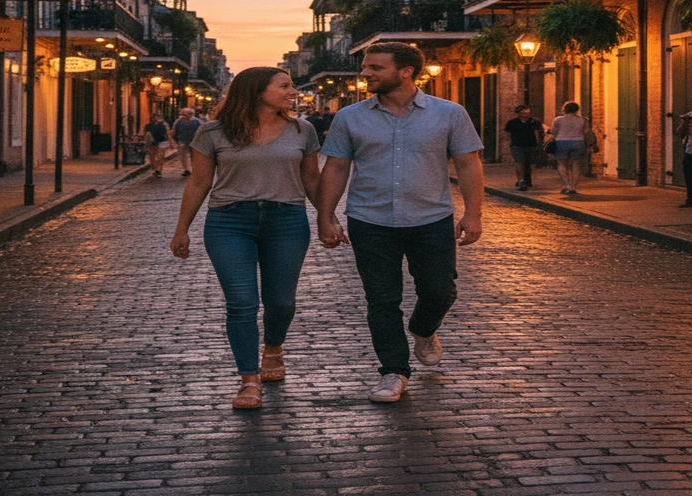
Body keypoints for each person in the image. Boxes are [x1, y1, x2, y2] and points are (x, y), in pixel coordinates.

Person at [315, 42, 484, 404]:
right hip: (369, 219)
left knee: (441, 291)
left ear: (405, 71)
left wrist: (474, 213)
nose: (366, 73)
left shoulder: (449, 113)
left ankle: (423, 329)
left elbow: (468, 163)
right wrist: (325, 216)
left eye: (376, 67)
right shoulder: (350, 117)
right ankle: (393, 371)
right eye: (366, 67)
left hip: (431, 217)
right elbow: (336, 168)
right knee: (381, 299)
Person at [169, 68, 321, 409]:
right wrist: (182, 228)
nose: (293, 91)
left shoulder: (302, 130)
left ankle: (274, 348)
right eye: (284, 86)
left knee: (280, 302)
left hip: (287, 220)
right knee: (241, 302)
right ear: (257, 92)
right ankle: (249, 380)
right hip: (228, 222)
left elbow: (312, 179)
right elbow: (198, 182)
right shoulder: (213, 132)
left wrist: (327, 217)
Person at [548, 101, 592, 196]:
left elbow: (553, 131)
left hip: (562, 142)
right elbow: (587, 132)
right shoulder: (583, 120)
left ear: (564, 109)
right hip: (578, 142)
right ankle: (573, 187)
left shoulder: (558, 119)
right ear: (577, 110)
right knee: (576, 164)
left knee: (562, 164)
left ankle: (567, 185)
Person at [503, 105, 544, 191]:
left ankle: (527, 179)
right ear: (518, 113)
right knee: (519, 162)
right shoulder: (512, 122)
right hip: (517, 145)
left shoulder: (534, 121)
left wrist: (539, 144)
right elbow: (507, 133)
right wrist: (509, 143)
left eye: (527, 112)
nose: (525, 114)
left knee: (530, 163)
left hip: (531, 144)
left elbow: (539, 132)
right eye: (523, 113)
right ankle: (521, 180)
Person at [171, 107, 204, 176]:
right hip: (182, 140)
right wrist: (176, 140)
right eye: (184, 114)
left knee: (194, 156)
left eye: (188, 114)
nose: (186, 116)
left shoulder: (197, 121)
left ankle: (194, 169)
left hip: (194, 141)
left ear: (192, 114)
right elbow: (174, 131)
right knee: (183, 156)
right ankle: (186, 169)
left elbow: (202, 131)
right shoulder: (178, 121)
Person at [143, 113, 171, 178]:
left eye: (158, 118)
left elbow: (167, 134)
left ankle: (159, 170)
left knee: (160, 156)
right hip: (153, 142)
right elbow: (146, 135)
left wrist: (170, 142)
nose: (156, 119)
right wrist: (146, 143)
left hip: (162, 141)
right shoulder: (148, 126)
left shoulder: (163, 125)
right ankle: (156, 169)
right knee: (153, 156)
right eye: (154, 118)